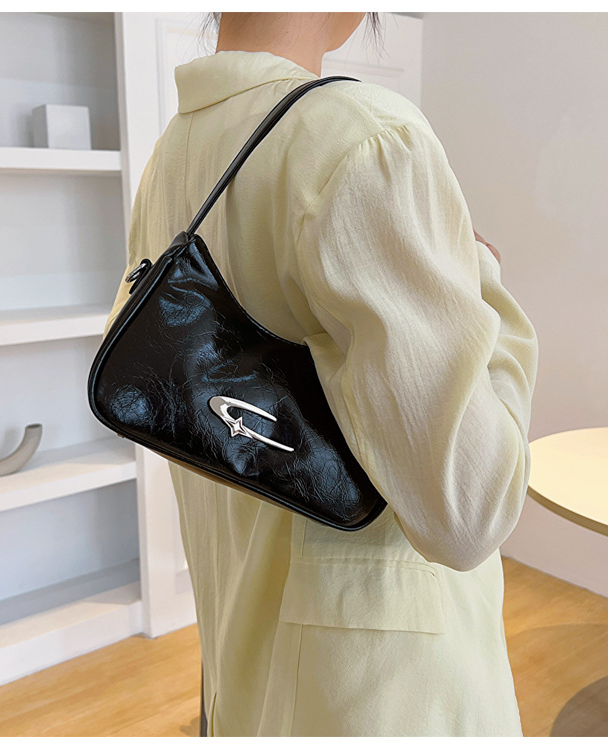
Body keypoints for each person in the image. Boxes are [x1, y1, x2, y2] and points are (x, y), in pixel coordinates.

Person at [102, 12, 538, 737]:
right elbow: (470, 513)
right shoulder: (363, 137)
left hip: (244, 665)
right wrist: (481, 279)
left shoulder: (172, 156)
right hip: (380, 691)